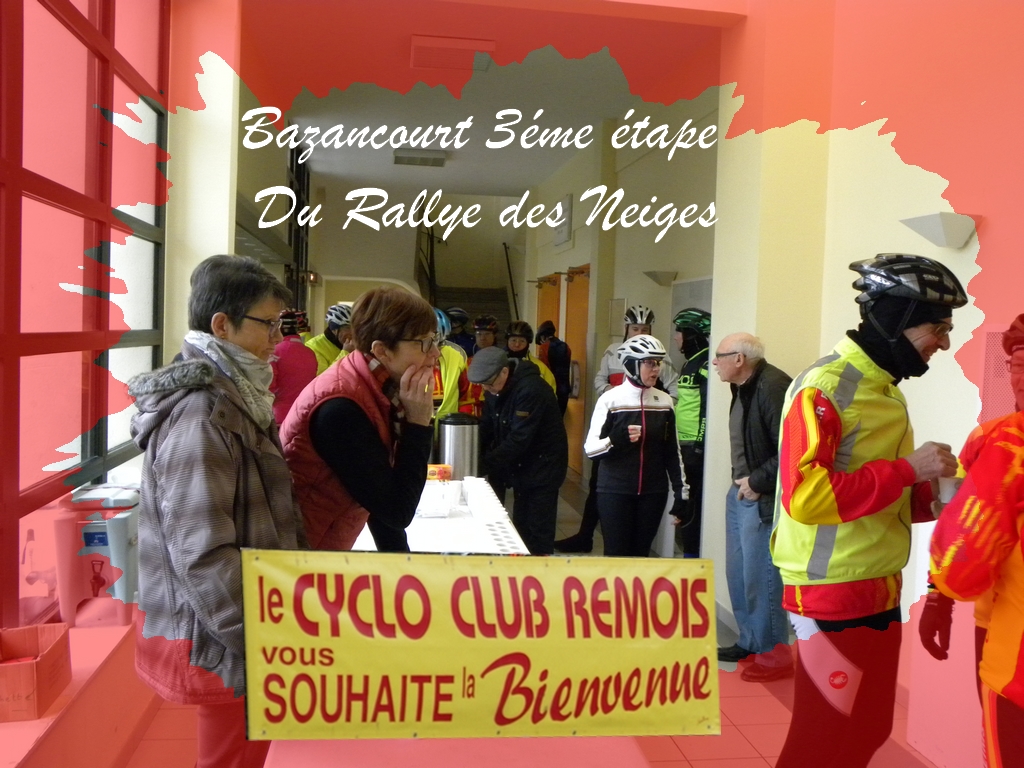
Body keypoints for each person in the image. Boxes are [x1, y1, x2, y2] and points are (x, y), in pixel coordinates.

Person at [771, 253, 967, 768]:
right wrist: (907, 470)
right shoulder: (826, 387)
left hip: (878, 586)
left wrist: (937, 493)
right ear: (899, 320)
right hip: (829, 593)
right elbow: (806, 497)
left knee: (869, 729)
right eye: (938, 328)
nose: (944, 344)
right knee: (820, 741)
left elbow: (875, 496)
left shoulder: (882, 388)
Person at [128, 255, 306, 768]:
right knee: (231, 756)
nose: (277, 339)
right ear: (222, 325)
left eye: (280, 324)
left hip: (237, 626)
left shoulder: (236, 395)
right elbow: (202, 554)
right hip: (224, 638)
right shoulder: (202, 413)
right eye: (268, 324)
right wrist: (259, 639)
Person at [929, 313, 1024, 766]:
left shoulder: (1006, 442)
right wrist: (938, 598)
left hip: (1011, 654)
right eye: (1016, 364)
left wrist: (943, 592)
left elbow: (958, 559)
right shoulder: (988, 437)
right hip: (993, 619)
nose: (1019, 379)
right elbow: (957, 524)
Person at [281, 287, 439, 552]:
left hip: (319, 545)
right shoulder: (341, 409)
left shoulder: (371, 383)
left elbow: (381, 497)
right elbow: (395, 509)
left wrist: (402, 564)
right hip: (303, 554)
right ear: (382, 350)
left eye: (435, 339)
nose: (435, 353)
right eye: (423, 342)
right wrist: (418, 424)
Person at [555, 305, 676, 553]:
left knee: (640, 549)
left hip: (650, 478)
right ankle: (585, 536)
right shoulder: (612, 353)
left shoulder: (661, 366)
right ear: (626, 329)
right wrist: (613, 396)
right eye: (635, 328)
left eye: (645, 329)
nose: (639, 332)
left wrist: (656, 403)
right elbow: (599, 380)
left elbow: (673, 395)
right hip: (614, 457)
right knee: (600, 492)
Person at [712, 333, 794, 682]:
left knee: (762, 578)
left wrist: (757, 482)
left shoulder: (772, 386)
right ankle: (749, 641)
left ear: (739, 359)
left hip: (760, 495)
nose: (714, 362)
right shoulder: (743, 387)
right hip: (741, 492)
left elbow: (791, 447)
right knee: (739, 573)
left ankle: (775, 656)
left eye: (720, 356)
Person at [583, 335, 688, 557]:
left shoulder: (664, 402)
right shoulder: (610, 400)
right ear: (631, 365)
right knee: (617, 556)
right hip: (614, 491)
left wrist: (681, 492)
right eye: (649, 363)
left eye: (658, 363)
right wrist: (615, 440)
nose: (656, 369)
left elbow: (672, 451)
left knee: (641, 556)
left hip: (653, 492)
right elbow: (591, 449)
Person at [469, 347, 568, 555]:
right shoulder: (496, 388)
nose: (486, 389)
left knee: (538, 529)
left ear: (504, 372)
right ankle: (523, 567)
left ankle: (541, 569)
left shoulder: (531, 390)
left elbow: (519, 439)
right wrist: (470, 454)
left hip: (543, 467)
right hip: (522, 467)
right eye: (482, 384)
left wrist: (481, 465)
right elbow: (487, 426)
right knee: (521, 526)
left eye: (489, 383)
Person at [672, 308, 711, 558]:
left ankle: (691, 557)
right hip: (682, 443)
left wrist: (699, 444)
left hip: (692, 446)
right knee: (684, 503)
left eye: (679, 332)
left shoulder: (704, 363)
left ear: (691, 334)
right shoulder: (690, 362)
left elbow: (707, 407)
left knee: (691, 506)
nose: (676, 337)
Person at [270, 309, 317, 425]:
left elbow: (268, 389)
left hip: (279, 417)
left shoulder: (274, 352)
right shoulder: (310, 353)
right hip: (305, 415)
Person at [431, 307, 473, 425]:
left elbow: (467, 396)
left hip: (449, 428)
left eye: (441, 343)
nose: (436, 351)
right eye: (430, 343)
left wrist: (461, 425)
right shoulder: (404, 357)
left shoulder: (457, 355)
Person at [505, 319, 557, 392]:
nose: (517, 344)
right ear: (507, 341)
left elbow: (550, 394)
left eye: (522, 341)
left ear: (528, 343)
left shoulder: (540, 368)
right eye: (513, 340)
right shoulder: (498, 364)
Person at [306, 302, 354, 375]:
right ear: (334, 330)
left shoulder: (354, 344)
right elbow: (323, 377)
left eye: (355, 327)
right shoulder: (314, 347)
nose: (353, 332)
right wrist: (345, 353)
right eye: (348, 328)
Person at [536, 320, 572, 415]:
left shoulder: (544, 347)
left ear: (543, 336)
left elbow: (543, 369)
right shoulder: (566, 346)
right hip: (564, 390)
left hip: (551, 389)